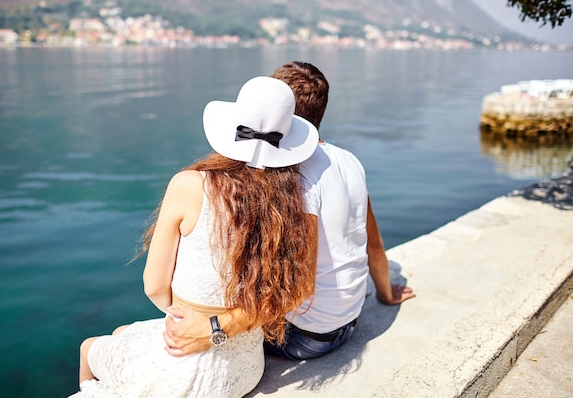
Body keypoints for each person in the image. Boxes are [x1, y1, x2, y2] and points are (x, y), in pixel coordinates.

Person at [69, 76, 320, 398]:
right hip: (244, 367)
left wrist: (194, 321)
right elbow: (299, 290)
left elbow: (155, 287)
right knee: (124, 332)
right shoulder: (298, 197)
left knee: (89, 346)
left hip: (184, 372)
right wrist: (218, 327)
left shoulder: (190, 185)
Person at [163, 61, 416, 361]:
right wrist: (386, 295)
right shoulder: (350, 160)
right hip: (350, 320)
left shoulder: (295, 178)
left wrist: (213, 327)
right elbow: (373, 246)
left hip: (306, 338)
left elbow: (298, 287)